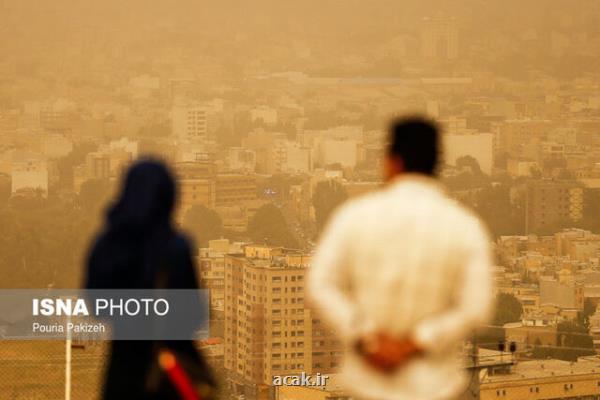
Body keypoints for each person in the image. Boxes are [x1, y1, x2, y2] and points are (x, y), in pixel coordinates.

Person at [308, 117, 494, 400]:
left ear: (391, 161)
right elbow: (476, 306)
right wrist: (417, 342)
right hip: (435, 387)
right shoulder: (464, 226)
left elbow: (320, 285)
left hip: (368, 384)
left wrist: (367, 336)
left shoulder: (355, 216)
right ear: (437, 165)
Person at [85, 159, 215, 400]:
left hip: (122, 370)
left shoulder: (106, 246)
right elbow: (195, 315)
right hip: (171, 375)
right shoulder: (175, 247)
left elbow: (96, 306)